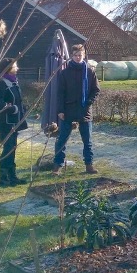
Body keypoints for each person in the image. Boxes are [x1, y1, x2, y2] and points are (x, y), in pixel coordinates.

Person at [52, 44, 101, 175]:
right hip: (68, 109)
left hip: (85, 110)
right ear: (72, 56)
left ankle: (89, 165)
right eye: (76, 55)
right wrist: (60, 110)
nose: (78, 57)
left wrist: (89, 102)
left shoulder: (90, 72)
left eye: (80, 55)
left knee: (87, 140)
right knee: (62, 139)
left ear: (84, 55)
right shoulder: (65, 73)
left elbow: (96, 90)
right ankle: (57, 165)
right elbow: (60, 93)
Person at [0, 58, 28, 186]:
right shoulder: (1, 83)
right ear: (8, 68)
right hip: (5, 123)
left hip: (15, 122)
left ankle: (12, 176)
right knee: (8, 149)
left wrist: (23, 108)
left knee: (13, 148)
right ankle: (3, 178)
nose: (17, 68)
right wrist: (12, 108)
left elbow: (17, 100)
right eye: (15, 66)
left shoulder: (14, 82)